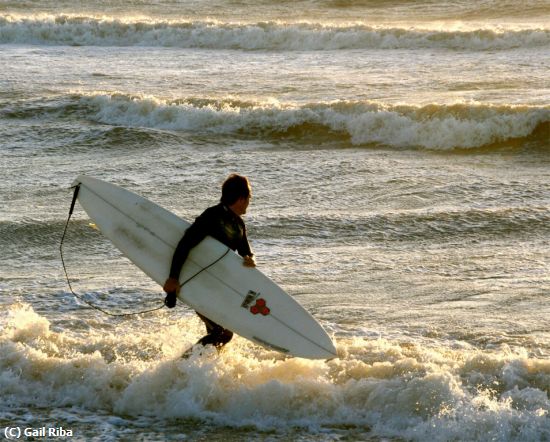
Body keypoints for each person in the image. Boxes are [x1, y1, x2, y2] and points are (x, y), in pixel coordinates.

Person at [163, 173, 256, 353]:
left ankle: (199, 371)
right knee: (222, 333)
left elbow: (245, 252)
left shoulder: (238, 224)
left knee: (218, 333)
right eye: (249, 198)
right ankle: (182, 365)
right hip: (199, 283)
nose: (249, 202)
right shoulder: (211, 216)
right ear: (241, 198)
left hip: (219, 287)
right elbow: (185, 244)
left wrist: (250, 259)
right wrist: (173, 277)